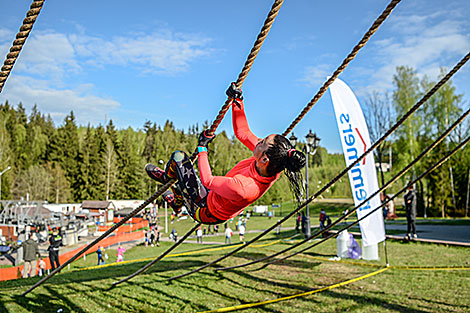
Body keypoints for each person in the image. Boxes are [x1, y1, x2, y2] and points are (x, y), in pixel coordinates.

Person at [144, 83, 306, 225]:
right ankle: (176, 198)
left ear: (264, 158)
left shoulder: (244, 188)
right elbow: (243, 132)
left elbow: (208, 180)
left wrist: (202, 148)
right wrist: (238, 102)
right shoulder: (273, 163)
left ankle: (169, 183)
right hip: (212, 195)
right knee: (181, 181)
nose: (258, 140)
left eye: (262, 142)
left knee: (178, 158)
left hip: (205, 210)